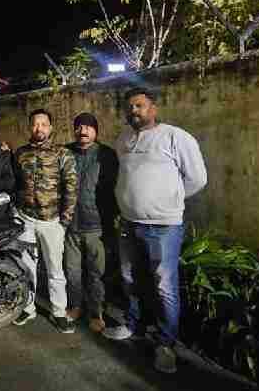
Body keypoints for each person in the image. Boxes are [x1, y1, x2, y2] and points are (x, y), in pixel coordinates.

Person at [102, 87, 207, 375]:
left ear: (153, 108)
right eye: (129, 107)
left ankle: (165, 344)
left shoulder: (175, 137)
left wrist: (168, 200)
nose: (133, 111)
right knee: (129, 278)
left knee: (164, 287)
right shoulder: (123, 139)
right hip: (128, 222)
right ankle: (133, 324)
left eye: (139, 105)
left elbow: (198, 179)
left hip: (164, 226)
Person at [12, 109, 78, 333]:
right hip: (26, 220)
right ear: (29, 127)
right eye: (34, 124)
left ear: (50, 128)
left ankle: (58, 311)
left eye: (43, 124)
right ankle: (28, 308)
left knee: (55, 270)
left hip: (52, 222)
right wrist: (16, 212)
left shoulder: (62, 153)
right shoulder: (21, 153)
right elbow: (15, 184)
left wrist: (65, 220)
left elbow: (71, 187)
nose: (38, 128)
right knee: (27, 267)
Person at [63, 112, 119, 335]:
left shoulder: (107, 155)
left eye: (88, 127)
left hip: (96, 225)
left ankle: (96, 313)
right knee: (72, 271)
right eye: (79, 127)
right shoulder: (65, 152)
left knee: (97, 273)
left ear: (96, 130)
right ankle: (75, 306)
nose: (83, 131)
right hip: (70, 225)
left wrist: (111, 220)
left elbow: (114, 188)